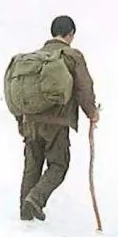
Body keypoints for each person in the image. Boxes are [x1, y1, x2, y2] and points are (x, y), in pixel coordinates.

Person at [19, 16, 98, 221]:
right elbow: (84, 88)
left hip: (30, 120)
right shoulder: (71, 55)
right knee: (59, 164)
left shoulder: (34, 57)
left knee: (32, 164)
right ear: (70, 34)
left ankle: (25, 212)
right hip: (56, 122)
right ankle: (35, 200)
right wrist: (92, 113)